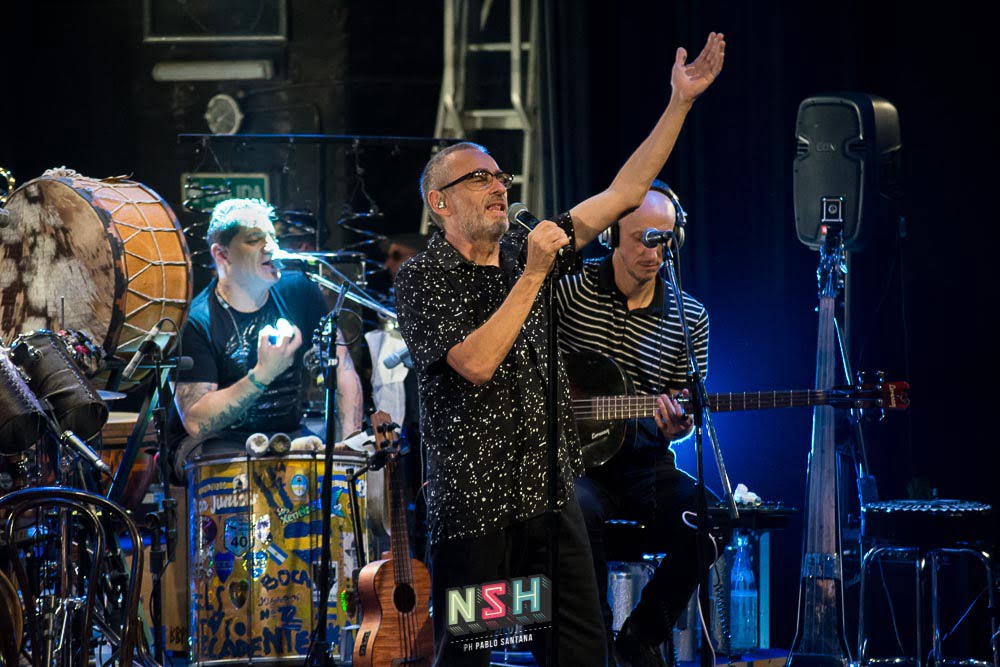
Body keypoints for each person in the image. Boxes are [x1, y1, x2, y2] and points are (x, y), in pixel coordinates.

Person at [394, 33, 725, 667]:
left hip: (549, 500)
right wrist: (532, 275)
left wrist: (679, 103)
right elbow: (476, 363)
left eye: (501, 175)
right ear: (440, 203)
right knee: (473, 652)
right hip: (479, 514)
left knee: (579, 650)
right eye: (479, 178)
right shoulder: (424, 277)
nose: (498, 185)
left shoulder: (524, 250)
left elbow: (624, 193)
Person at [555, 182, 712, 667]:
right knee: (574, 509)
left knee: (711, 520)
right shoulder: (569, 293)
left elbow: (684, 413)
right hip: (579, 466)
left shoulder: (690, 316)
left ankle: (640, 638)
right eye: (644, 238)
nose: (655, 252)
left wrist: (677, 427)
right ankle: (595, 642)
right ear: (610, 235)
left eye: (665, 240)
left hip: (645, 466)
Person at [168, 198, 363, 479]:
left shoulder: (300, 291)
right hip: (215, 443)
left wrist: (350, 447)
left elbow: (341, 368)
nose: (271, 247)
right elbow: (197, 423)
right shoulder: (196, 321)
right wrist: (263, 374)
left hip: (286, 436)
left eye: (273, 237)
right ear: (222, 255)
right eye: (254, 240)